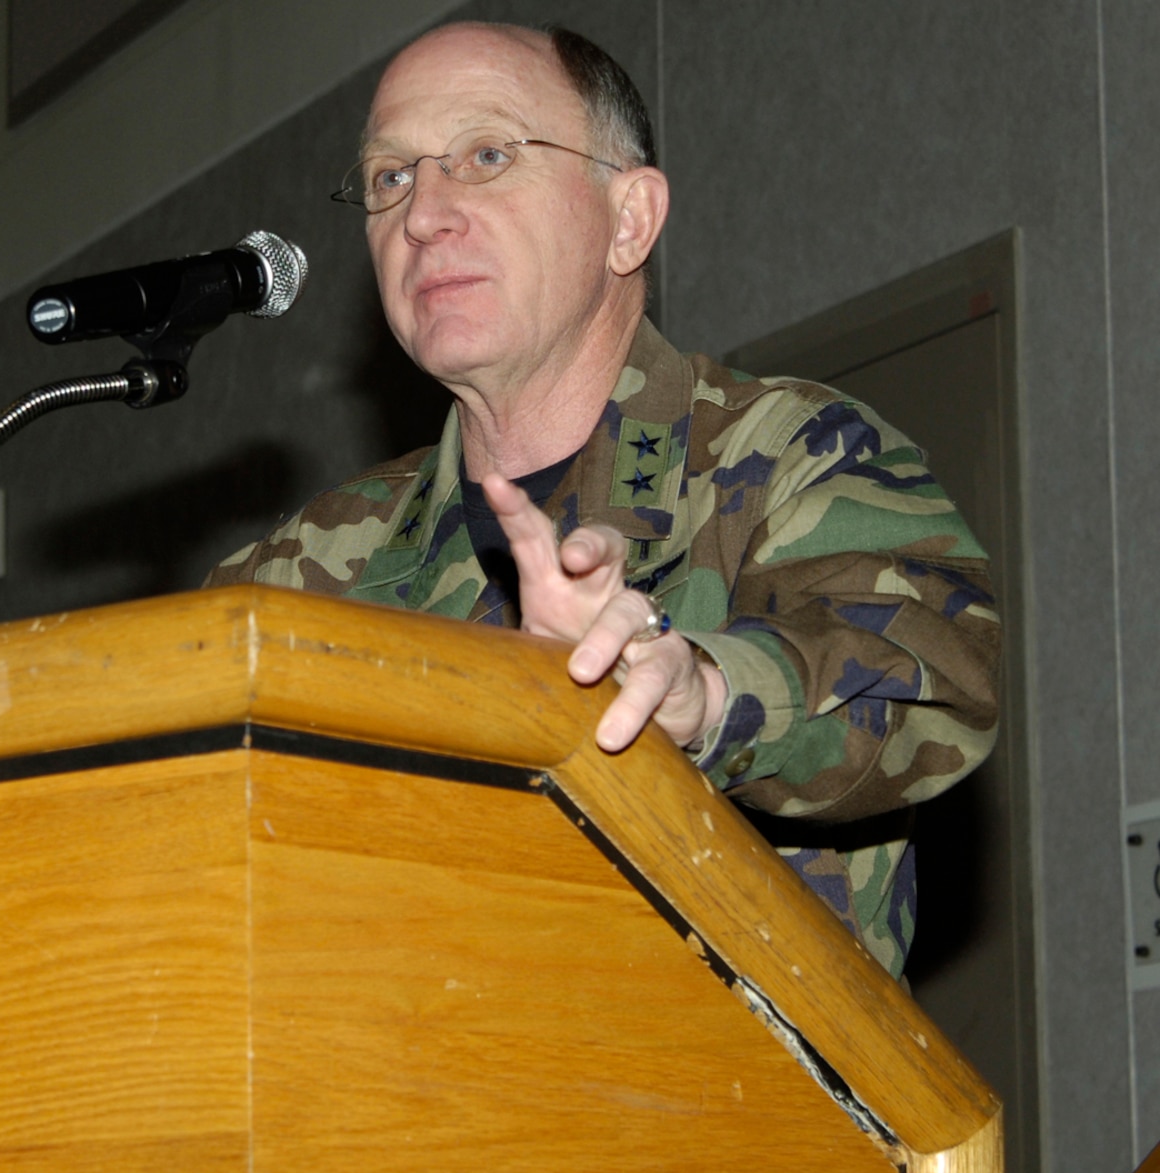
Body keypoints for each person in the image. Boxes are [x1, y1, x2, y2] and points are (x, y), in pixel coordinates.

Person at [204, 21, 998, 977]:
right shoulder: (306, 568)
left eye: (487, 155)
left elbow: (937, 680)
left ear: (629, 219)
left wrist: (702, 695)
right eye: (389, 178)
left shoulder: (790, 454)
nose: (422, 214)